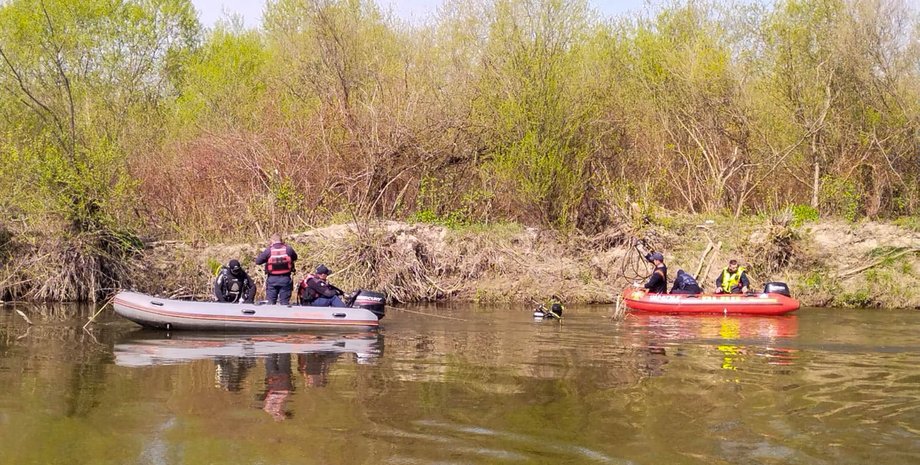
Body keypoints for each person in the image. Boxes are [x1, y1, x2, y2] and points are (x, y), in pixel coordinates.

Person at [255, 233, 298, 305]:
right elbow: (295, 258)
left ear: (272, 241)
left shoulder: (268, 250)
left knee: (271, 303)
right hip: (285, 279)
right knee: (284, 303)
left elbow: (258, 261)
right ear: (281, 240)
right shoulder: (288, 249)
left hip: (272, 279)